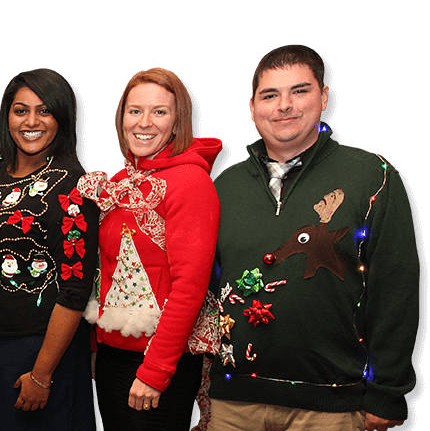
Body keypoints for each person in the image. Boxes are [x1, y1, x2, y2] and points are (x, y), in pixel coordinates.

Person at [208, 45, 418, 431]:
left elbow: (395, 288)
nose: (284, 105)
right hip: (234, 405)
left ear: (323, 98)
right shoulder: (225, 187)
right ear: (253, 107)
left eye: (299, 91)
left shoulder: (371, 176)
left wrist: (388, 390)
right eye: (270, 95)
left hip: (332, 406)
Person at [77, 67, 222, 430]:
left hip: (157, 360)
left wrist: (156, 370)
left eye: (159, 111)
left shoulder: (190, 182)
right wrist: (98, 349)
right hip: (113, 356)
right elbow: (106, 270)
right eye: (134, 110)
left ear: (178, 122)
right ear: (121, 118)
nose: (144, 122)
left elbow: (190, 286)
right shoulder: (122, 181)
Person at [0, 69, 98, 430]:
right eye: (21, 111)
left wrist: (41, 375)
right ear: (7, 115)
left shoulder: (73, 188)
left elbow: (75, 291)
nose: (31, 122)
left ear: (62, 117)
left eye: (45, 111)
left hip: (39, 351)